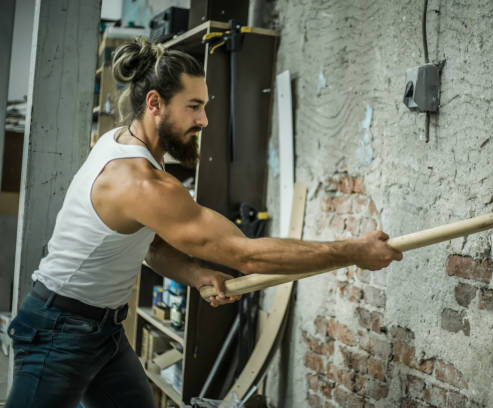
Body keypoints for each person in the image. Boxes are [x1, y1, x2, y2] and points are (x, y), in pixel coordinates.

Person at [6, 37, 403, 408]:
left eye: (205, 106)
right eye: (193, 106)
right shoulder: (139, 181)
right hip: (58, 331)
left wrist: (194, 274)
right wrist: (354, 252)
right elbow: (244, 255)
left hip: (102, 330)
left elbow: (150, 246)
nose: (205, 120)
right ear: (155, 103)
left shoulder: (126, 141)